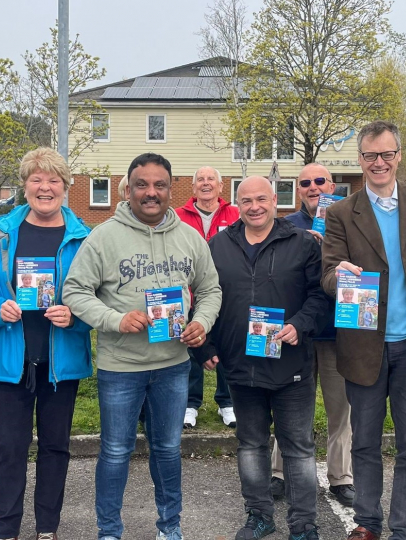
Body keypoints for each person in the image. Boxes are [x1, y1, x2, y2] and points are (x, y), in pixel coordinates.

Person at [63, 153, 222, 540]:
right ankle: (109, 531)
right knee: (116, 453)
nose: (151, 193)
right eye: (142, 185)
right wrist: (115, 319)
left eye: (159, 185)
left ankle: (170, 527)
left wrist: (201, 322)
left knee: (167, 451)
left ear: (171, 189)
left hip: (172, 365)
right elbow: (74, 290)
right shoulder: (103, 236)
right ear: (128, 188)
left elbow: (211, 289)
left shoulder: (189, 237)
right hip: (121, 367)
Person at [321, 121, 406, 540]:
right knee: (364, 444)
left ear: (399, 156)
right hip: (364, 345)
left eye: (387, 154)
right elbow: (326, 275)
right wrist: (338, 276)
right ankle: (367, 522)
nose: (380, 162)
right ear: (360, 160)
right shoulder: (341, 211)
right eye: (371, 155)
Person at [0, 148, 92, 540]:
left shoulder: (83, 237)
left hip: (60, 360)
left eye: (53, 180)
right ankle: (7, 529)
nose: (45, 187)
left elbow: (100, 294)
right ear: (25, 184)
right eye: (37, 179)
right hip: (11, 359)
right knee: (8, 450)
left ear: (65, 187)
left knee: (55, 448)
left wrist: (76, 315)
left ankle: (47, 528)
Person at [201, 176, 328, 540]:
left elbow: (319, 298)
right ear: (236, 204)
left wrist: (299, 325)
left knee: (299, 449)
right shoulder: (218, 245)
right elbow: (207, 298)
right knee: (251, 446)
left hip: (291, 366)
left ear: (275, 200)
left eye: (261, 199)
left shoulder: (303, 243)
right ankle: (259, 516)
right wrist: (205, 345)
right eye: (246, 200)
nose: (254, 206)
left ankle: (304, 525)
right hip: (240, 366)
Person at [269, 163, 355, 507]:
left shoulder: (350, 222)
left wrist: (334, 253)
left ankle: (341, 477)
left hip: (339, 331)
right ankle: (278, 472)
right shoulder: (286, 225)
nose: (313, 187)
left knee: (341, 409)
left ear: (332, 184)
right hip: (298, 331)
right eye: (305, 183)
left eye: (320, 181)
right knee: (288, 405)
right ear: (298, 189)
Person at [175, 165, 239, 429]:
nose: (205, 183)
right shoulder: (177, 216)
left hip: (227, 293)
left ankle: (227, 402)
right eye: (199, 179)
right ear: (193, 187)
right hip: (188, 293)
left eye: (211, 179)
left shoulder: (235, 214)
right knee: (190, 347)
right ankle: (190, 403)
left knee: (226, 348)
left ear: (220, 186)